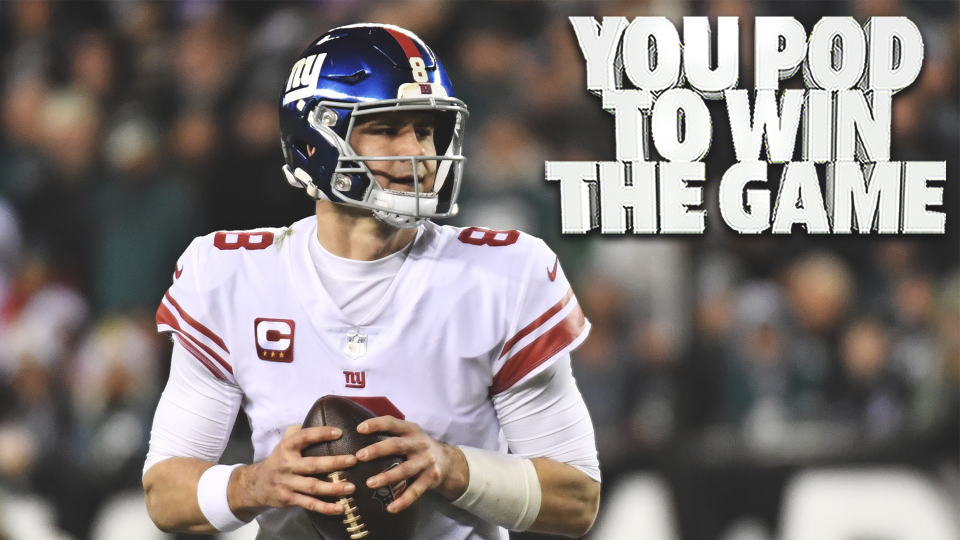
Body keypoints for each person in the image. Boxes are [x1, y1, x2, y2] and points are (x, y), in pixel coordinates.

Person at [141, 23, 600, 540]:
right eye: (387, 129)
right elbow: (165, 492)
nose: (420, 154)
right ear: (316, 139)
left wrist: (452, 467)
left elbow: (577, 498)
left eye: (426, 130)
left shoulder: (502, 275)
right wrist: (254, 485)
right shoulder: (228, 274)